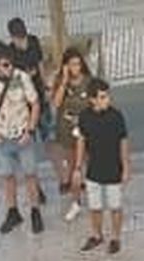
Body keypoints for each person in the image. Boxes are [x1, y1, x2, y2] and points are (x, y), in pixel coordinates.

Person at [0, 39, 46, 235]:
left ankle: (35, 211)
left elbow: (35, 103)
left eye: (10, 63)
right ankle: (12, 212)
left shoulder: (21, 77)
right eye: (5, 65)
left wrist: (31, 130)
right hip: (3, 137)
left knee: (30, 175)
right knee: (8, 176)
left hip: (22, 135)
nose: (9, 68)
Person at [74, 77, 131, 257]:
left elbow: (123, 141)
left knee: (115, 206)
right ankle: (97, 234)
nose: (107, 100)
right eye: (103, 97)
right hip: (93, 171)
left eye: (107, 96)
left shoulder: (116, 116)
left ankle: (115, 237)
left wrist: (126, 166)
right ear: (93, 99)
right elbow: (81, 141)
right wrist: (77, 167)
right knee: (95, 207)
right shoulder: (84, 117)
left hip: (113, 169)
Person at [50, 46, 93, 206]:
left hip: (86, 129)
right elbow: (56, 103)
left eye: (78, 64)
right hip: (67, 130)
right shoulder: (61, 81)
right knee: (73, 164)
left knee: (88, 161)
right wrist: (64, 81)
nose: (76, 68)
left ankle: (91, 189)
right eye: (72, 64)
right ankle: (76, 198)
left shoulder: (88, 81)